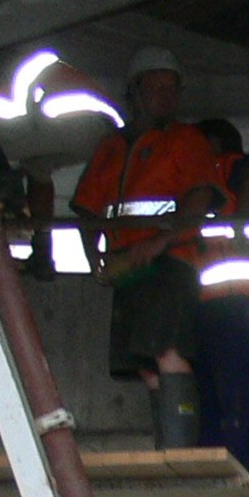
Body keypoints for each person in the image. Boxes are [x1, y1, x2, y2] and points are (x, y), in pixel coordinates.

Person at [68, 49, 225, 446]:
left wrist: (159, 242)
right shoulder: (111, 147)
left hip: (169, 262)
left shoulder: (186, 141)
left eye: (172, 88)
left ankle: (180, 451)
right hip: (128, 268)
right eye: (156, 87)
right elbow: (88, 209)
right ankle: (168, 447)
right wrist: (94, 259)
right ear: (134, 91)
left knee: (167, 349)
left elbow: (199, 198)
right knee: (144, 363)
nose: (165, 95)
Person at [190, 152, 249, 473]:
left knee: (235, 405)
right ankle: (243, 466)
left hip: (243, 318)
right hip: (228, 314)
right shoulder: (221, 208)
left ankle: (237, 463)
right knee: (238, 404)